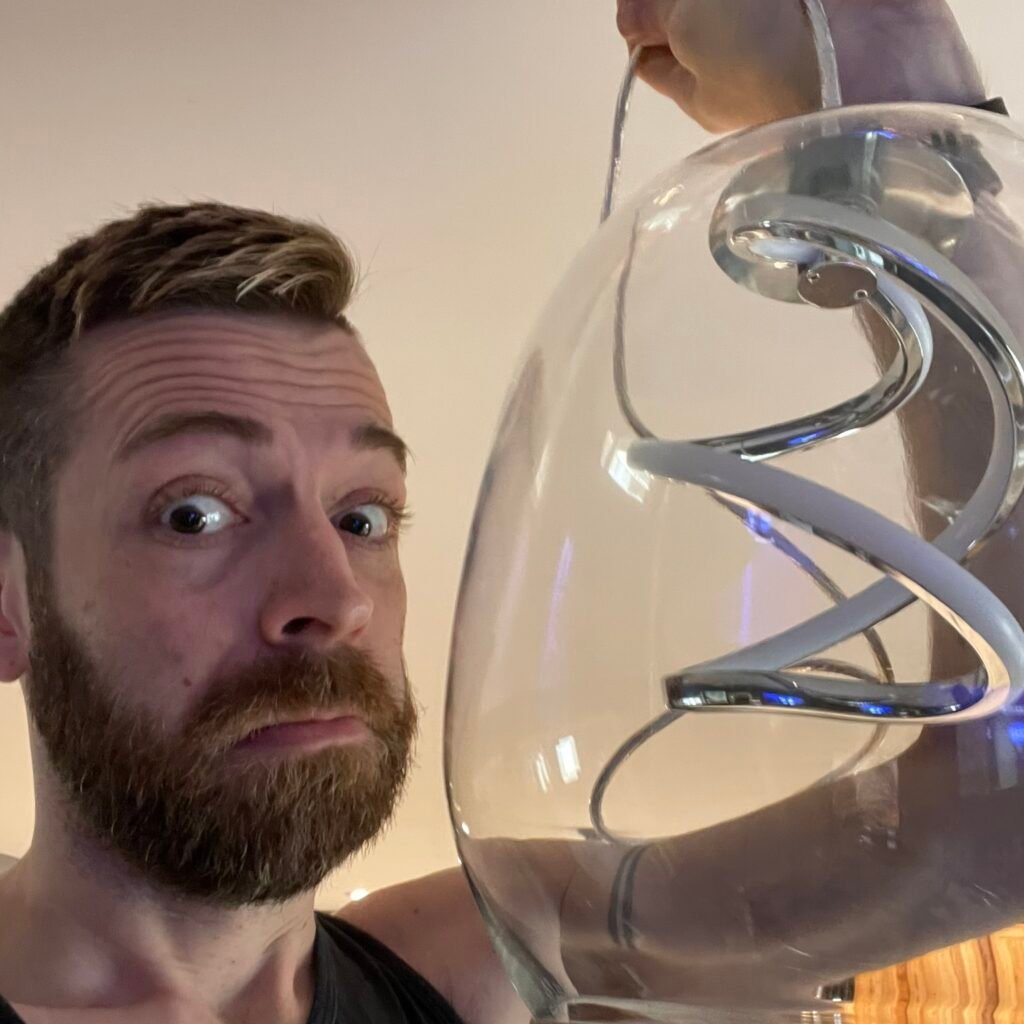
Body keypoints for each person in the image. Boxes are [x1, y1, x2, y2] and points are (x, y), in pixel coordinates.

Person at [0, 2, 1004, 1022]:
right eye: (195, 515)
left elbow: (991, 827)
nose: (332, 599)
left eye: (363, 517)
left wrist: (895, 98)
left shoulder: (479, 963)